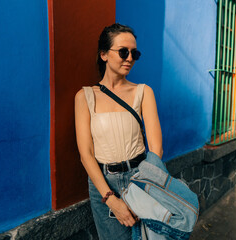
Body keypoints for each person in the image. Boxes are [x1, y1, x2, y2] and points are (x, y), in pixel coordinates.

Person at [74, 23, 163, 240]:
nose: (130, 58)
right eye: (123, 51)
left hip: (141, 177)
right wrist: (110, 198)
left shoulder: (143, 92)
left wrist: (141, 190)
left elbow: (156, 149)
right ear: (104, 54)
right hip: (104, 185)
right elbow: (86, 154)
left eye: (134, 53)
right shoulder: (84, 97)